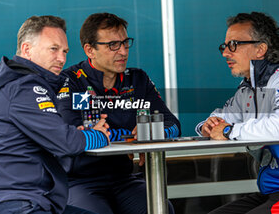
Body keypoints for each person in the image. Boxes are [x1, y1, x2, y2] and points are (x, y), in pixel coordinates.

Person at [0, 15, 111, 214]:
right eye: (53, 49)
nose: (62, 58)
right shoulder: (25, 87)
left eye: (65, 51)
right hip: (12, 204)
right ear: (27, 50)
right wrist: (99, 136)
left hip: (18, 199)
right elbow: (66, 142)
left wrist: (75, 134)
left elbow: (57, 136)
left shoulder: (14, 84)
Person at [56, 12, 181, 214]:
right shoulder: (71, 81)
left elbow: (173, 124)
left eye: (125, 42)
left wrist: (150, 134)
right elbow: (74, 132)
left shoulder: (137, 79)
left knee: (160, 209)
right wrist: (132, 138)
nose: (123, 51)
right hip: (80, 181)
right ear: (90, 50)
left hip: (124, 178)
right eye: (113, 45)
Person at [195, 12, 279, 214]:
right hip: (271, 191)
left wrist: (228, 131)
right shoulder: (248, 87)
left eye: (234, 45)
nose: (225, 53)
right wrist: (208, 126)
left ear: (260, 49)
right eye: (225, 46)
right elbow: (224, 117)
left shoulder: (276, 79)